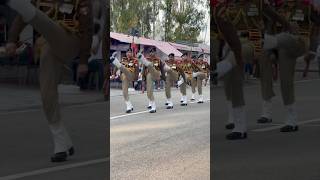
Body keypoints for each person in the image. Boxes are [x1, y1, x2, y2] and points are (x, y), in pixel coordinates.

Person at [3, 0, 93, 162]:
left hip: (70, 41)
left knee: (50, 27)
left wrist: (83, 61)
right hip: (49, 47)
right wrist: (11, 39)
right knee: (46, 95)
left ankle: (19, 4)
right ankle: (62, 143)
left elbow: (87, 29)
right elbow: (20, 19)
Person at [110, 48, 139, 113]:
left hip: (131, 75)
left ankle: (114, 59)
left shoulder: (135, 60)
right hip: (124, 76)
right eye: (127, 52)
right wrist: (113, 74)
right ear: (126, 53)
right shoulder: (123, 59)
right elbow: (117, 67)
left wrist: (136, 78)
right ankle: (129, 106)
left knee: (126, 70)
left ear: (132, 53)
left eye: (130, 52)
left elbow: (137, 69)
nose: (128, 54)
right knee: (124, 91)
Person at [137, 47, 161, 113]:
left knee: (150, 67)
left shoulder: (158, 60)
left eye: (153, 52)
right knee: (149, 90)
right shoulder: (147, 59)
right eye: (150, 52)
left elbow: (161, 68)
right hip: (148, 75)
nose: (151, 53)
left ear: (155, 53)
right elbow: (144, 69)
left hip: (156, 74)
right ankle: (150, 103)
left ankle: (153, 106)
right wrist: (142, 76)